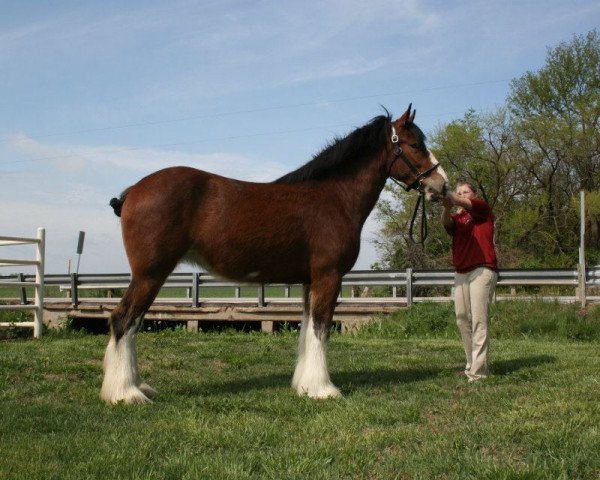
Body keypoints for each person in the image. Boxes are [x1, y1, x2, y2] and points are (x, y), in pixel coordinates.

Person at [442, 182, 498, 382]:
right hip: (461, 272)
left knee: (479, 320)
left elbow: (462, 201)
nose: (461, 194)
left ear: (473, 194)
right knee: (462, 319)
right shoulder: (458, 218)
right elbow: (446, 224)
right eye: (459, 192)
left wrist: (447, 194)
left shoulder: (481, 208)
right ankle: (470, 364)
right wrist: (447, 206)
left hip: (482, 268)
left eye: (465, 192)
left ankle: (479, 372)